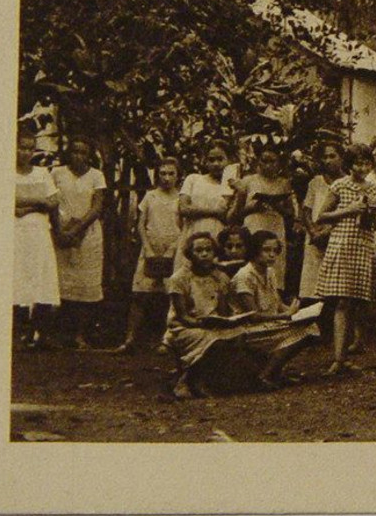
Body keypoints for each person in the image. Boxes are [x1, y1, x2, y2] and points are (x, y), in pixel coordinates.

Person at [314, 143, 376, 377]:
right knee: (342, 302)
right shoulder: (339, 185)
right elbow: (321, 216)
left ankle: (346, 355)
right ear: (349, 164)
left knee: (355, 302)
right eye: (357, 163)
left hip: (362, 245)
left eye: (366, 163)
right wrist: (349, 210)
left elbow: (372, 222)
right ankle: (338, 359)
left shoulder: (374, 189)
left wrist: (374, 217)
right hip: (342, 244)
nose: (361, 167)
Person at [227, 231, 319, 388]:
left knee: (311, 327)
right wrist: (285, 315)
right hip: (247, 330)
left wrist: (296, 310)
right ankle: (266, 374)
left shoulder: (269, 272)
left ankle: (276, 371)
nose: (272, 255)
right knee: (306, 332)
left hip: (267, 324)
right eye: (266, 250)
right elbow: (252, 316)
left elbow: (276, 303)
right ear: (255, 251)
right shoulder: (244, 276)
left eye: (275, 250)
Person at [112, 157, 182, 354]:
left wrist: (172, 249)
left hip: (173, 250)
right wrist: (148, 248)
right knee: (140, 295)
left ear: (178, 176)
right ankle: (130, 339)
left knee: (171, 296)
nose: (167, 178)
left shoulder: (181, 198)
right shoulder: (150, 197)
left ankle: (166, 340)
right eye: (163, 173)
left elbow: (183, 228)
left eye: (171, 174)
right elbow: (141, 224)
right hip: (150, 248)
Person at [51, 137, 108, 349]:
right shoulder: (57, 173)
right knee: (60, 282)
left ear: (89, 155)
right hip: (61, 231)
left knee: (85, 284)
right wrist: (60, 230)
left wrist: (77, 229)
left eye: (83, 152)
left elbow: (97, 207)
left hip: (88, 233)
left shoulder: (96, 176)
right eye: (75, 151)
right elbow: (52, 202)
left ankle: (80, 335)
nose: (78, 156)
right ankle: (56, 335)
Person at [163, 232, 235, 398]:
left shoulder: (220, 277)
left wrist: (224, 320)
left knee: (238, 335)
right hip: (184, 327)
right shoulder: (180, 278)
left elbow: (223, 312)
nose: (204, 254)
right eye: (199, 250)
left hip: (211, 324)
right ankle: (189, 380)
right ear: (190, 254)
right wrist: (201, 324)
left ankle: (216, 379)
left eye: (208, 250)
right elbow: (181, 316)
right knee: (211, 339)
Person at [13, 129, 60, 350]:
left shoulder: (42, 174)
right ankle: (20, 334)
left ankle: (41, 333)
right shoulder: (6, 172)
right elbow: (6, 200)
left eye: (29, 149)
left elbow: (52, 202)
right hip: (15, 234)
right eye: (21, 147)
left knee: (42, 279)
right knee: (18, 279)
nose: (25, 152)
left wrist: (28, 205)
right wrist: (38, 201)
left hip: (39, 232)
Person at [237, 142, 299, 294]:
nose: (268, 165)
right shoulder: (248, 181)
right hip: (254, 224)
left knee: (274, 263)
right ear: (258, 161)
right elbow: (236, 212)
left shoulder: (284, 183)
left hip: (275, 225)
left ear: (279, 163)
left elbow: (290, 213)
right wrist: (253, 207)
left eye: (272, 161)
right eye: (264, 161)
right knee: (253, 261)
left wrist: (277, 205)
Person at [174, 141, 242, 276]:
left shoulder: (231, 186)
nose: (216, 163)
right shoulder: (193, 179)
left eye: (220, 159)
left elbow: (230, 217)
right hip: (193, 232)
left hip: (217, 234)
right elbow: (184, 208)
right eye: (211, 159)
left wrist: (240, 193)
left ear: (228, 160)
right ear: (205, 161)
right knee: (186, 275)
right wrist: (214, 212)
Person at [297, 140, 345, 302]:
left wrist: (327, 232)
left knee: (334, 290)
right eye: (325, 157)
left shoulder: (347, 182)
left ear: (341, 158)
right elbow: (307, 210)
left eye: (333, 156)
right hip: (314, 239)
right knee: (312, 289)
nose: (328, 160)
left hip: (337, 238)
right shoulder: (316, 182)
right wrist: (313, 232)